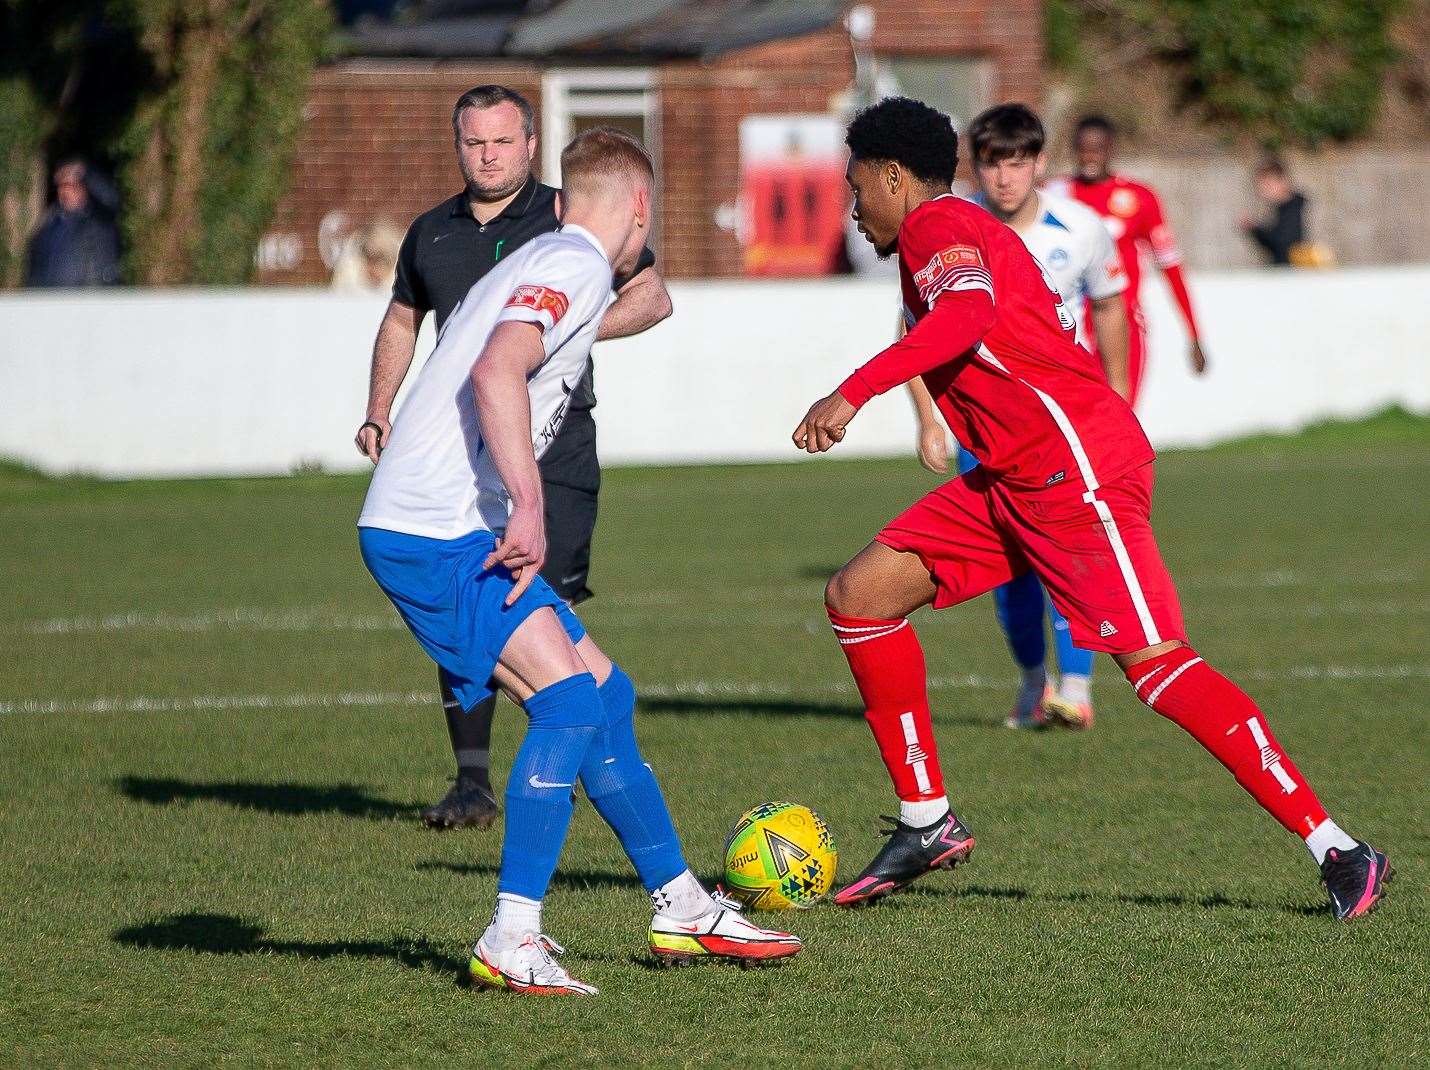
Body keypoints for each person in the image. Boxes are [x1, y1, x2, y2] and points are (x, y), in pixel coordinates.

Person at [792, 96, 1390, 921]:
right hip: (1014, 478)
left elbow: (967, 317)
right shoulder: (943, 234)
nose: (854, 208)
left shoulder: (935, 229)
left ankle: (1341, 851)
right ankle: (927, 822)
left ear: (894, 178)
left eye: (858, 187)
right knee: (860, 597)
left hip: (1075, 473)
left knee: (1157, 669)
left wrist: (852, 392)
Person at [359, 127, 801, 995]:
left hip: (445, 523)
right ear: (641, 206)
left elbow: (557, 336)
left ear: (563, 200)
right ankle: (511, 934)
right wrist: (528, 505)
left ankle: (680, 904)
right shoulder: (577, 265)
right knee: (564, 706)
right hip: (433, 531)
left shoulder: (555, 257)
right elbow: (496, 370)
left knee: (605, 694)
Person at [354, 85, 672, 832]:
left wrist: (565, 334)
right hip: (458, 483)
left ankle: (669, 887)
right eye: (474, 142)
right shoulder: (435, 233)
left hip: (547, 455)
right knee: (557, 684)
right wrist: (379, 408)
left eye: (502, 141)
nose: (488, 155)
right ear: (457, 145)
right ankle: (497, 828)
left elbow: (653, 297)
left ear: (532, 146)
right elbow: (420, 328)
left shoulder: (570, 222)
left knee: (566, 666)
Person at [908, 103, 1130, 731]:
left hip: (1068, 423)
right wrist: (929, 418)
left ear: (1038, 163)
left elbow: (1109, 307)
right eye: (992, 163)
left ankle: (1078, 687)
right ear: (974, 167)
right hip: (989, 425)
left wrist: (1116, 397)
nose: (1005, 177)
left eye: (1017, 162)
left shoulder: (1082, 229)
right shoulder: (949, 228)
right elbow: (916, 325)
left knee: (1071, 553)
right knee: (1012, 567)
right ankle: (1035, 681)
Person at [1048, 116, 1205, 405]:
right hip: (1067, 327)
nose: (1089, 156)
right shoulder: (1053, 195)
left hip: (1124, 326)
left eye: (1097, 148)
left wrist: (1193, 334)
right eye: (1083, 148)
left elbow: (1171, 268)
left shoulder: (1139, 198)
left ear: (1111, 149)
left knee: (1120, 423)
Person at [25, 159, 121, 288]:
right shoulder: (49, 224)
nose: (65, 191)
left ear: (84, 188)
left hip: (92, 299)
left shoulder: (100, 218)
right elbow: (37, 266)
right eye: (62, 186)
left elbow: (111, 198)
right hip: (53, 301)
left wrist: (84, 171)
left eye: (71, 185)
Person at [1241, 157, 1309, 266]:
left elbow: (1284, 246)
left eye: (1267, 184)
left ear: (1282, 180)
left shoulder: (1295, 208)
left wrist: (1256, 230)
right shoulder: (1284, 209)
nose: (1262, 190)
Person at [330, 220, 404, 292]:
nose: (375, 268)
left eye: (379, 260)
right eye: (370, 258)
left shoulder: (399, 280)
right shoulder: (349, 275)